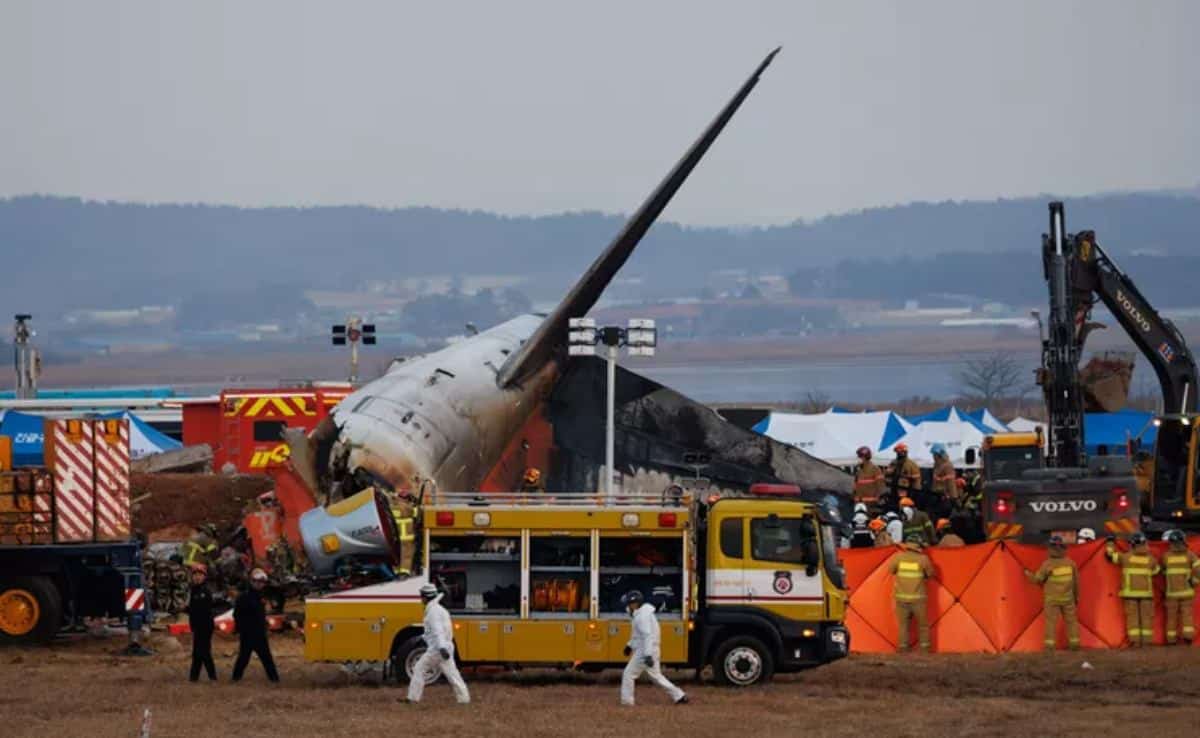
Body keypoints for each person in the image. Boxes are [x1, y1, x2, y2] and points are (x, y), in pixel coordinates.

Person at [405, 583, 470, 704]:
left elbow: (438, 631)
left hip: (438, 649)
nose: (421, 599)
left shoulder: (433, 612)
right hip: (445, 647)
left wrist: (441, 648)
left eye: (421, 596)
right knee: (452, 674)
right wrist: (422, 638)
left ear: (425, 597)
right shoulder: (439, 610)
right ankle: (464, 699)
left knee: (419, 668)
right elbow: (436, 631)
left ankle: (413, 699)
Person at [619, 590, 688, 706]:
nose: (628, 607)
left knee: (628, 674)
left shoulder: (641, 617)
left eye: (629, 604)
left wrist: (648, 655)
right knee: (657, 677)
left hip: (645, 650)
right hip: (651, 649)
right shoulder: (643, 614)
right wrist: (629, 645)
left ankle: (627, 701)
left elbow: (647, 636)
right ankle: (679, 695)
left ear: (635, 604)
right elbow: (639, 635)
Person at [1024, 534, 1080, 651]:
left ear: (1050, 548)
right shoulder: (1071, 563)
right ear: (1063, 548)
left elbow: (1038, 580)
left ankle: (1049, 646)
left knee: (1050, 623)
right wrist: (1076, 598)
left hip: (1052, 599)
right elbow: (1076, 583)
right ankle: (1074, 644)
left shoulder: (1047, 564)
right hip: (1068, 599)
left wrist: (1027, 574)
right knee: (1071, 622)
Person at [1105, 532, 1159, 647]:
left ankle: (1134, 641)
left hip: (1129, 594)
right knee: (1146, 618)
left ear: (1132, 545)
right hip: (1146, 595)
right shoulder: (1151, 559)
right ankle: (1147, 642)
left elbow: (1109, 556)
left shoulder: (1125, 557)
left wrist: (1110, 542)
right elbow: (1156, 571)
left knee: (1132, 618)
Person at [888, 534, 935, 653]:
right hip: (918, 599)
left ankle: (903, 649)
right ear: (918, 545)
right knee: (923, 626)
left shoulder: (898, 557)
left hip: (901, 598)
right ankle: (925, 650)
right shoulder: (923, 559)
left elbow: (891, 570)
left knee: (903, 626)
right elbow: (931, 574)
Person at [231, 568, 280, 682]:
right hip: (248, 633)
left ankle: (274, 679)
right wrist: (242, 628)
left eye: (261, 582)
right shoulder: (243, 597)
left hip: (259, 633)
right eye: (256, 581)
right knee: (244, 657)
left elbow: (260, 614)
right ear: (251, 581)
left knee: (266, 657)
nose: (259, 584)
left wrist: (265, 623)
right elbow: (236, 615)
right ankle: (235, 678)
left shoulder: (261, 597)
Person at [1161, 529, 1199, 644]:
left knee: (1171, 618)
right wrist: (1194, 582)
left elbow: (1162, 571)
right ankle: (1188, 638)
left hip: (1171, 594)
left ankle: (1171, 640)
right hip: (1187, 593)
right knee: (1187, 616)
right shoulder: (1190, 555)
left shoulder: (1165, 556)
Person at [187, 563, 217, 682]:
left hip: (205, 626)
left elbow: (203, 609)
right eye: (195, 574)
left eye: (200, 574)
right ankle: (194, 677)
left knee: (204, 652)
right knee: (197, 653)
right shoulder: (194, 590)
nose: (197, 577)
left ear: (204, 576)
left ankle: (212, 676)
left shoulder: (205, 591)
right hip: (197, 626)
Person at [885, 443, 922, 511]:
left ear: (904, 452)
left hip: (906, 492)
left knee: (904, 508)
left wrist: (915, 493)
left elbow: (917, 480)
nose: (898, 454)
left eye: (900, 452)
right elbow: (887, 474)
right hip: (893, 490)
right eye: (897, 452)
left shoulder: (912, 465)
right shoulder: (893, 463)